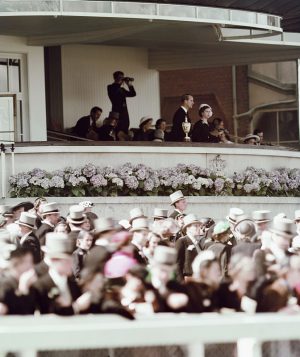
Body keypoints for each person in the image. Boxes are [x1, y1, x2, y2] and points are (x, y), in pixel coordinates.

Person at [175, 214, 206, 281]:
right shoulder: (182, 241)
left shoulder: (198, 242)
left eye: (199, 226)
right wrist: (181, 283)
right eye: (195, 226)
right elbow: (177, 264)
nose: (198, 228)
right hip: (188, 279)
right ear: (188, 228)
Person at [107, 71, 136, 138]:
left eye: (122, 77)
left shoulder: (121, 89)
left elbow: (133, 94)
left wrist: (129, 85)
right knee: (117, 131)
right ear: (115, 78)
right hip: (116, 113)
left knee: (125, 129)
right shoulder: (110, 87)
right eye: (120, 77)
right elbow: (115, 90)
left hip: (124, 113)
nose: (122, 79)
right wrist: (120, 82)